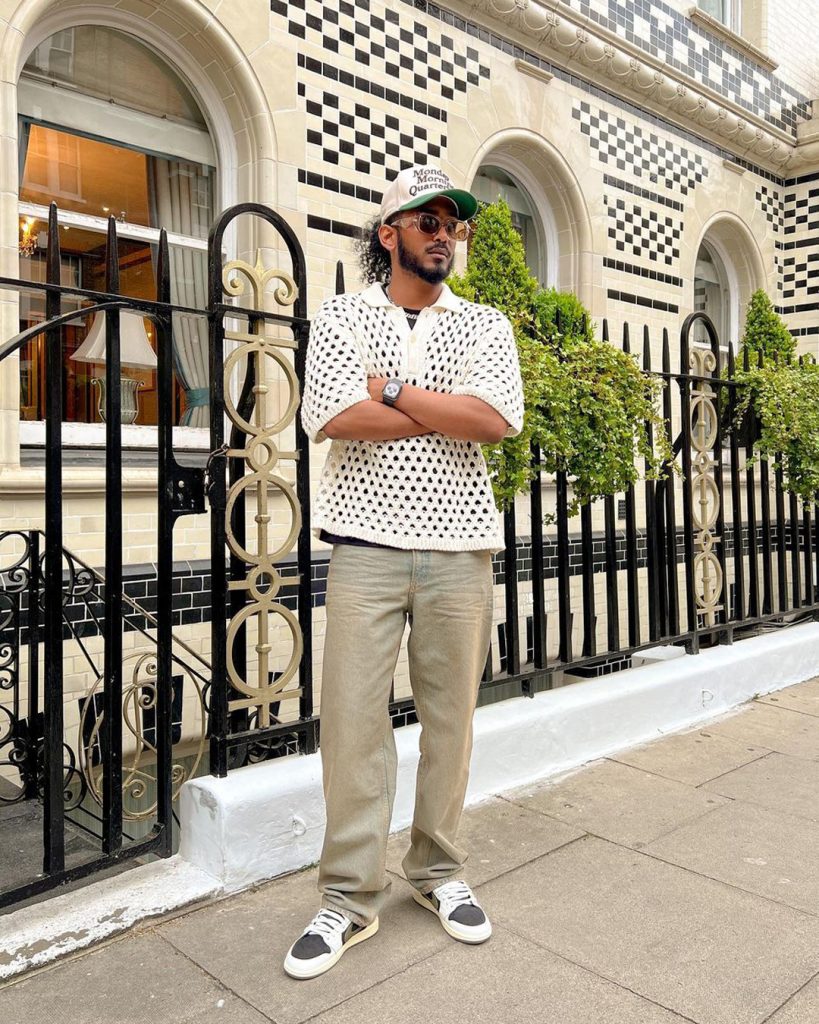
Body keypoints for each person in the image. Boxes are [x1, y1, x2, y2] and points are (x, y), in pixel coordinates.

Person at [285, 164, 524, 980]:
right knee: (352, 726)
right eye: (426, 221)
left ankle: (437, 871)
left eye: (452, 224)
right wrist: (438, 408)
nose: (443, 234)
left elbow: (492, 420)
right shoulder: (343, 314)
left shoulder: (484, 323)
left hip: (460, 547)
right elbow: (331, 415)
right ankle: (348, 897)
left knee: (450, 723)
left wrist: (389, 390)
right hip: (364, 545)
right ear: (388, 233)